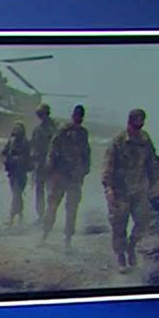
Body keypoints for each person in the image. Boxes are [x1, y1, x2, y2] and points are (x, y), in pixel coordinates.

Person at [103, 108, 157, 273]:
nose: (140, 124)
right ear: (130, 121)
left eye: (142, 121)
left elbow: (151, 162)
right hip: (120, 190)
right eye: (137, 121)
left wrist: (153, 183)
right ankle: (121, 258)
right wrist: (108, 188)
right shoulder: (118, 141)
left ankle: (131, 246)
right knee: (119, 225)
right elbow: (108, 165)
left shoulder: (145, 140)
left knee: (144, 220)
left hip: (139, 189)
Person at [42, 104, 91, 248]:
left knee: (72, 209)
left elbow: (86, 153)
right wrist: (51, 168)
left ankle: (68, 239)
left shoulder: (83, 133)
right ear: (73, 115)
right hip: (60, 174)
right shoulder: (63, 130)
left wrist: (84, 170)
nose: (78, 118)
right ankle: (45, 234)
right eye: (77, 115)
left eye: (80, 116)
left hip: (74, 177)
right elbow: (53, 149)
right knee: (52, 205)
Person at [28, 103, 57, 226]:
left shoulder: (54, 129)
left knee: (51, 191)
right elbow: (33, 145)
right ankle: (41, 216)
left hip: (52, 165)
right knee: (40, 191)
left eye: (42, 114)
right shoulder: (38, 129)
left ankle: (49, 216)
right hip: (40, 164)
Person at [1, 123, 33, 227]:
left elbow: (29, 157)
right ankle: (20, 215)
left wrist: (19, 159)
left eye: (18, 129)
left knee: (16, 193)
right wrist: (6, 160)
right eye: (15, 129)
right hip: (12, 172)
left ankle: (11, 217)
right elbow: (3, 153)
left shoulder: (26, 143)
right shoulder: (11, 142)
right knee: (17, 195)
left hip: (21, 172)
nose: (16, 131)